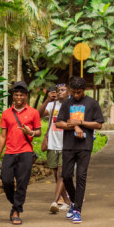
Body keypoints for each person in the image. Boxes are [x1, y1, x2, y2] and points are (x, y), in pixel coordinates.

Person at [55, 76, 104, 224]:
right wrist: (74, 125)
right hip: (69, 145)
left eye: (79, 92)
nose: (76, 95)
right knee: (66, 175)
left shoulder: (92, 103)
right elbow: (59, 123)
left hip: (85, 146)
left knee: (81, 176)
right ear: (70, 90)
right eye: (74, 92)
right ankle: (75, 202)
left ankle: (77, 210)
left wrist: (80, 122)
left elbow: (99, 124)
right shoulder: (66, 104)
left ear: (84, 90)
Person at [0, 81, 41, 225]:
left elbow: (38, 132)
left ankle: (16, 212)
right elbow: (3, 135)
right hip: (10, 152)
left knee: (22, 182)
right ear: (13, 96)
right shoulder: (6, 114)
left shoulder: (33, 112)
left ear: (26, 96)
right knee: (6, 180)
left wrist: (30, 132)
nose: (19, 97)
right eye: (16, 94)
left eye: (21, 94)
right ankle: (16, 203)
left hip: (26, 152)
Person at [38, 83, 72, 214]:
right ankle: (67, 201)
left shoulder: (71, 105)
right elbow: (39, 115)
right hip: (52, 144)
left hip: (66, 144)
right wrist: (47, 100)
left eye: (63, 90)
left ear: (68, 92)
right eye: (58, 90)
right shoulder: (52, 105)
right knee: (56, 175)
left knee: (61, 174)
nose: (60, 92)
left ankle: (55, 201)